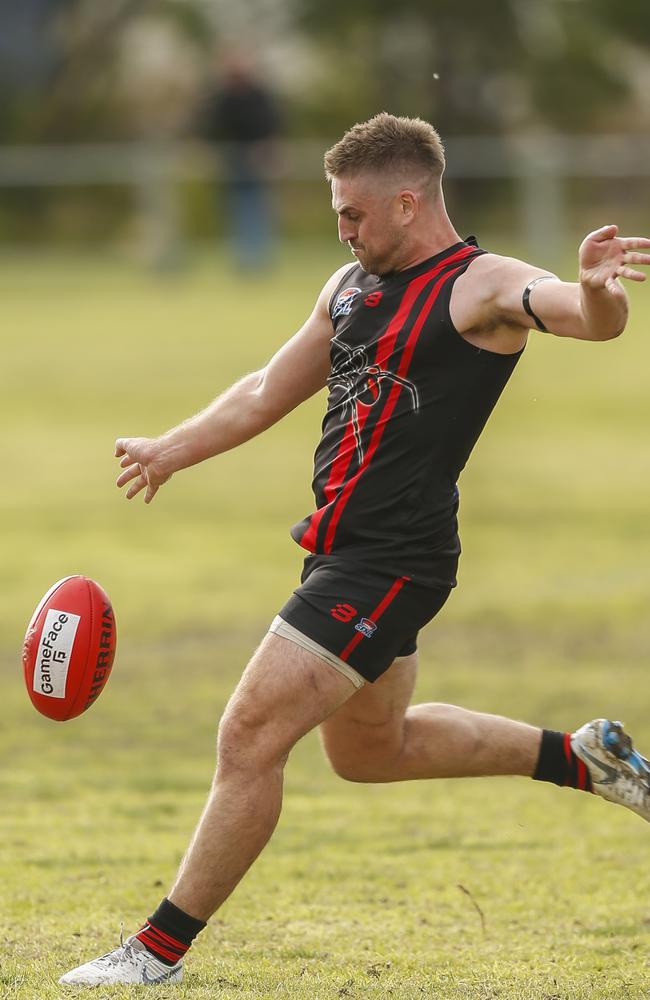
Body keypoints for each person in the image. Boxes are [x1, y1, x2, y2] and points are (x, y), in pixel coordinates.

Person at [60, 113, 650, 987]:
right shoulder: (348, 287)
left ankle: (154, 952)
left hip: (391, 562)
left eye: (352, 215)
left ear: (407, 202)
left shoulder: (484, 286)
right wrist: (169, 448)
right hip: (340, 549)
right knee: (370, 753)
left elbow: (585, 317)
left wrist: (600, 287)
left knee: (248, 736)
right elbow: (267, 387)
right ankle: (585, 756)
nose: (342, 230)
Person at [197, 52, 281, 271]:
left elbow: (272, 125)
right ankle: (243, 261)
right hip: (232, 165)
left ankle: (258, 260)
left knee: (256, 210)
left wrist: (267, 149)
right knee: (236, 212)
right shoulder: (222, 98)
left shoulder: (259, 96)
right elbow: (210, 129)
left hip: (256, 165)